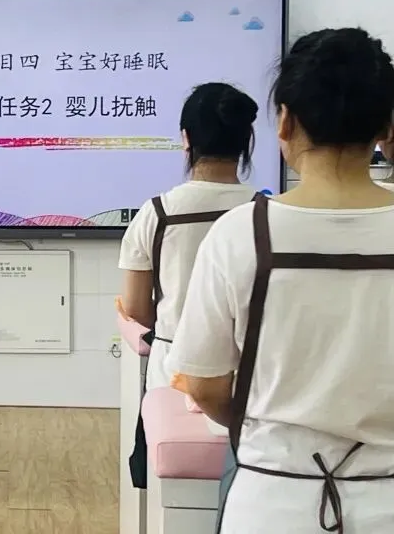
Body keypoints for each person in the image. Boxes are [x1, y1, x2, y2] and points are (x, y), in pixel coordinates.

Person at [169, 27, 394, 532]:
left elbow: (204, 385)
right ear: (386, 126)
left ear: (286, 122)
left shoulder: (241, 232)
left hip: (272, 500)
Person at [118, 82, 261, 489]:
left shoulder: (156, 213)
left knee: (170, 500)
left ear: (186, 139)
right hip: (248, 376)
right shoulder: (267, 212)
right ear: (245, 142)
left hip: (173, 371)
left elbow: (136, 308)